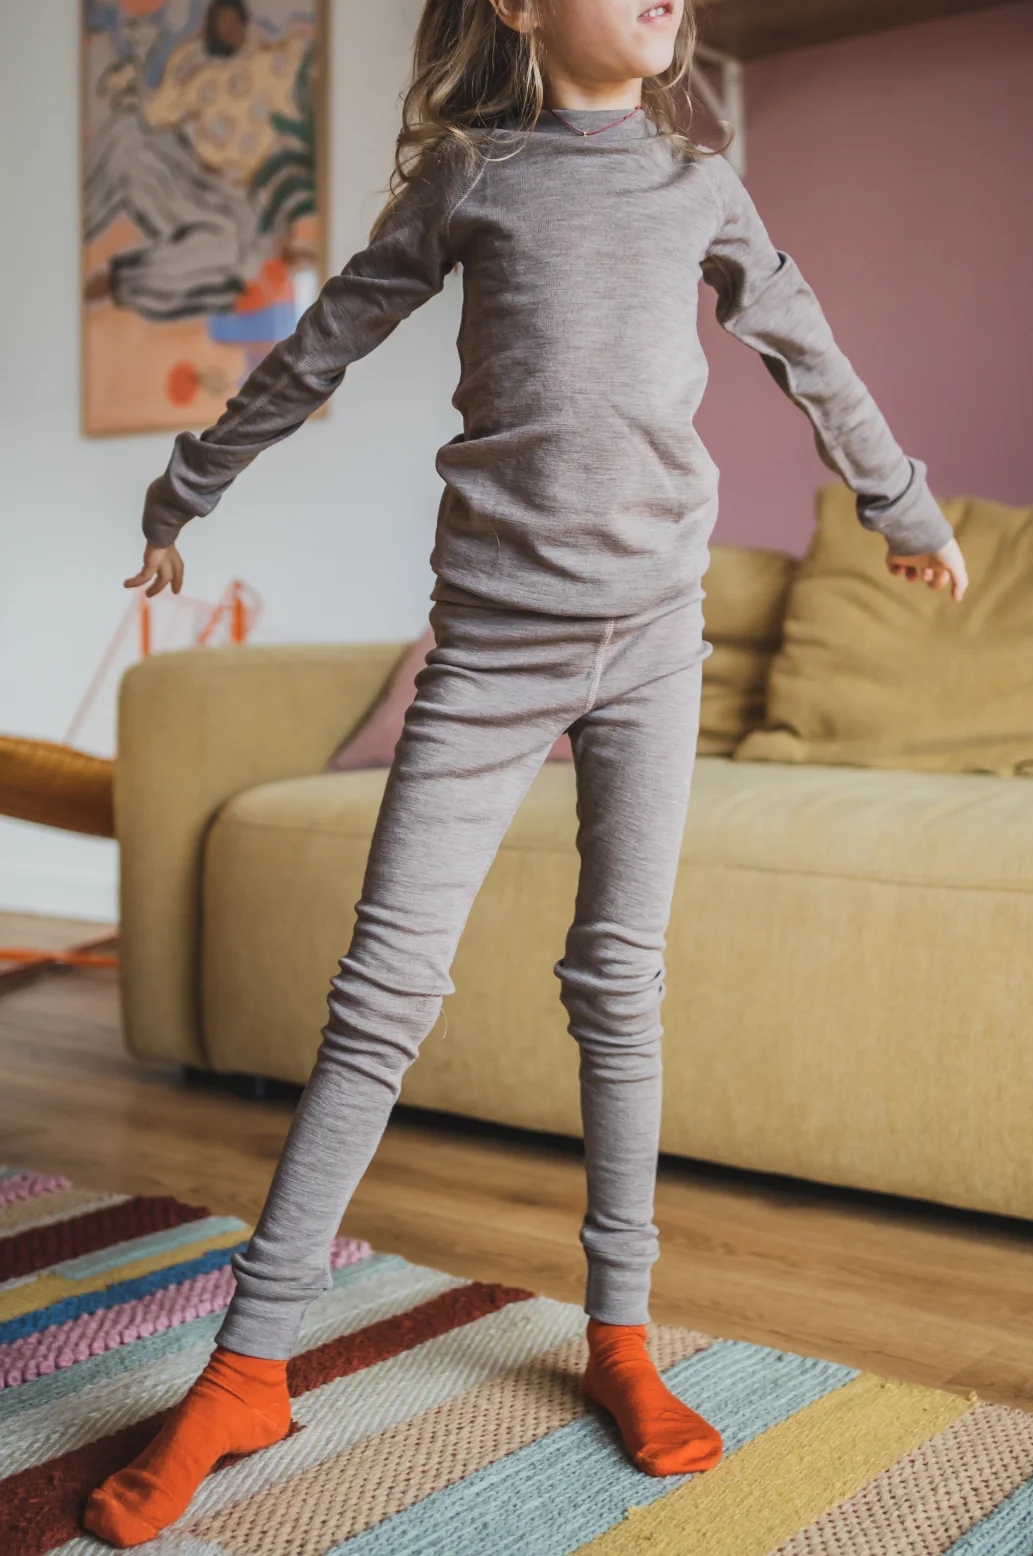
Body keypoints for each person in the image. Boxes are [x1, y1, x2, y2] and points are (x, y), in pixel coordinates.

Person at [84, 0, 969, 1545]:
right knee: (377, 1000)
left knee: (617, 984)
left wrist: (899, 505)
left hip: (654, 650)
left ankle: (620, 1337)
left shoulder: (695, 181)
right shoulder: (471, 176)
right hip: (489, 655)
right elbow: (324, 339)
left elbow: (803, 344)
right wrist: (183, 488)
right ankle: (246, 1367)